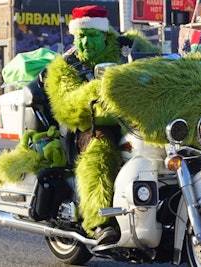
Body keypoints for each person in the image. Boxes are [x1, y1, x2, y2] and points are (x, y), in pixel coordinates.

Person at [43, 5, 159, 245]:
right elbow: (66, 105)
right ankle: (99, 221)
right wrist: (97, 91)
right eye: (80, 37)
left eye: (91, 36)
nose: (84, 44)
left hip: (135, 119)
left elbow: (160, 65)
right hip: (90, 125)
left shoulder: (130, 46)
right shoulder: (66, 65)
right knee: (101, 149)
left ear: (105, 35)